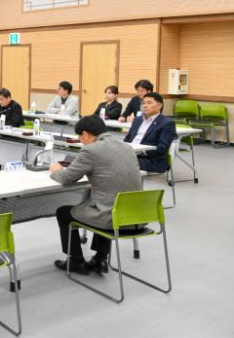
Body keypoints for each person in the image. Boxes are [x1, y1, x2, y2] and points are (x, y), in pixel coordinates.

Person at [50, 116, 143, 274]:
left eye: (80, 137)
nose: (81, 141)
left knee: (63, 213)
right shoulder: (126, 147)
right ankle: (100, 259)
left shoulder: (91, 150)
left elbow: (66, 178)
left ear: (85, 134)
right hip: (136, 216)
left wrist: (55, 170)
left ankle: (76, 261)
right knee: (109, 203)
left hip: (113, 219)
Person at [123, 92, 177, 173]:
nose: (145, 106)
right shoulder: (137, 120)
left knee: (122, 162)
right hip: (131, 154)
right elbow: (127, 139)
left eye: (149, 103)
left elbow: (162, 148)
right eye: (143, 103)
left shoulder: (167, 123)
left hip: (151, 160)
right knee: (108, 158)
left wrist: (141, 151)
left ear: (159, 106)